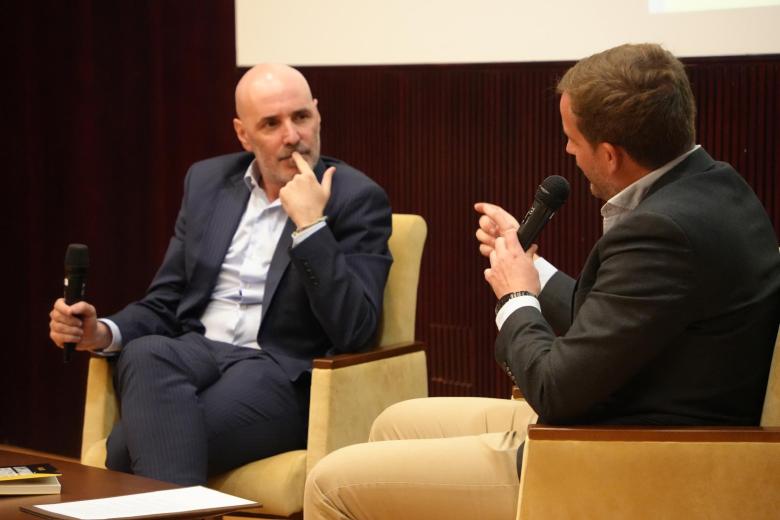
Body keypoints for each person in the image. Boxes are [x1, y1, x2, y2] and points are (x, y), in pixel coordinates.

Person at [302, 43, 780, 520]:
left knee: (330, 483)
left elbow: (554, 389)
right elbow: (618, 323)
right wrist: (531, 266)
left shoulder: (662, 231)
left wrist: (515, 295)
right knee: (394, 423)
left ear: (610, 155)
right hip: (623, 410)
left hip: (625, 457)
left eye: (572, 138)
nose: (568, 149)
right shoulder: (717, 186)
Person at [48, 64, 392, 485]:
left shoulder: (357, 199)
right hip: (198, 352)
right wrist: (100, 333)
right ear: (243, 134)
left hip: (277, 370)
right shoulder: (208, 182)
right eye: (271, 124)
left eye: (301, 117)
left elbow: (356, 328)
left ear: (317, 114)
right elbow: (166, 300)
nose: (292, 136)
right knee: (143, 352)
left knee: (124, 449)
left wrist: (311, 228)